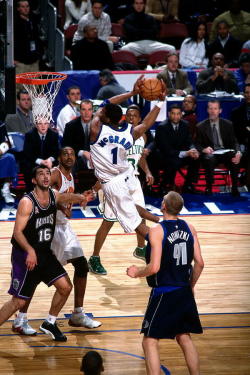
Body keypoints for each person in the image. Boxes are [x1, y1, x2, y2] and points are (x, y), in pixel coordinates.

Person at [12, 147, 101, 335]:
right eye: (65, 154)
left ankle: (77, 313)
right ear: (59, 158)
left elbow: (61, 197)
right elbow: (45, 194)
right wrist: (61, 205)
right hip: (51, 230)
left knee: (81, 266)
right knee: (35, 275)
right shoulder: (54, 174)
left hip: (64, 228)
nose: (69, 157)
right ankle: (21, 317)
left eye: (71, 154)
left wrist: (77, 200)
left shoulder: (70, 175)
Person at [127, 191, 204, 375]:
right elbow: (200, 263)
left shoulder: (158, 231)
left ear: (163, 206)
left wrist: (136, 271)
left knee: (149, 340)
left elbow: (154, 267)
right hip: (183, 291)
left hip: (164, 292)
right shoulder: (190, 228)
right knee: (184, 337)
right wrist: (190, 286)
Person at [90, 76, 165, 244]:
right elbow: (146, 124)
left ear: (107, 118)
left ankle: (163, 243)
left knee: (137, 224)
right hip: (124, 177)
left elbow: (104, 103)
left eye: (103, 112)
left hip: (112, 183)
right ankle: (161, 223)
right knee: (135, 210)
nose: (100, 111)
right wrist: (160, 102)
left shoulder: (96, 130)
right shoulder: (129, 134)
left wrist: (132, 92)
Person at [88, 104, 155, 275]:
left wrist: (147, 171)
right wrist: (96, 187)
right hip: (116, 182)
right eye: (129, 115)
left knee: (141, 217)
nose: (131, 118)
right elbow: (108, 166)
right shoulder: (115, 135)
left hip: (133, 180)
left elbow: (138, 158)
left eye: (135, 115)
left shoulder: (141, 136)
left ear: (139, 118)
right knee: (108, 221)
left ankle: (141, 249)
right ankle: (94, 257)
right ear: (124, 117)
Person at [195, 100, 242, 196]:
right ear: (207, 110)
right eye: (210, 108)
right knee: (209, 158)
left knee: (234, 156)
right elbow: (197, 144)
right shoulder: (200, 126)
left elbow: (234, 142)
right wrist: (204, 149)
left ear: (220, 110)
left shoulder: (228, 124)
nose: (213, 111)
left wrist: (238, 152)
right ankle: (209, 187)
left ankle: (234, 187)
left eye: (215, 109)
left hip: (225, 152)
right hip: (211, 154)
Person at [154, 104, 200, 194]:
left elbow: (189, 141)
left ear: (181, 115)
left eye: (178, 114)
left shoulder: (185, 125)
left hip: (181, 154)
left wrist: (193, 150)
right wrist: (186, 153)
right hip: (166, 156)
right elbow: (166, 149)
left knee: (196, 158)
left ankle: (188, 185)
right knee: (174, 161)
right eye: (173, 114)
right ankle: (164, 185)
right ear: (169, 114)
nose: (176, 116)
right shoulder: (162, 127)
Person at [22, 118, 60, 192]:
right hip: (35, 161)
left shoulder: (54, 135)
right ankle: (31, 191)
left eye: (45, 124)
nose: (43, 126)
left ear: (48, 125)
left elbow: (56, 152)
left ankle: (53, 191)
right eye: (40, 124)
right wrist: (40, 161)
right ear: (36, 125)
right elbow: (27, 153)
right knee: (25, 164)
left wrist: (50, 160)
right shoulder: (29, 135)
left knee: (58, 164)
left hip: (49, 162)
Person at [231, 83, 250, 191]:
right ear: (243, 94)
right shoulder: (236, 112)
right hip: (241, 145)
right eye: (247, 92)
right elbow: (234, 134)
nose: (249, 95)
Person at [14, 0, 42, 75]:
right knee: (20, 86)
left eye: (27, 6)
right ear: (18, 9)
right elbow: (14, 42)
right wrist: (14, 59)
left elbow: (37, 39)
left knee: (34, 85)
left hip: (34, 60)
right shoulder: (15, 23)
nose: (26, 9)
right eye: (23, 7)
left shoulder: (33, 21)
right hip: (21, 62)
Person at [0, 123, 17, 204]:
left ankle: (6, 189)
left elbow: (8, 142)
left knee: (10, 157)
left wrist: (1, 149)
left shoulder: (1, 125)